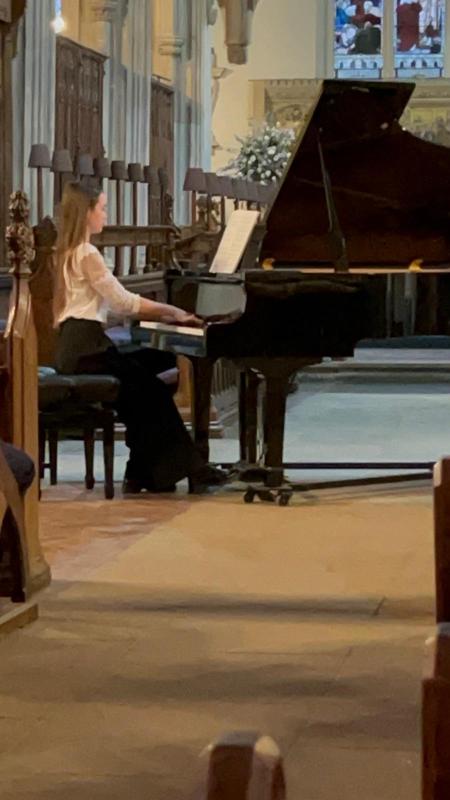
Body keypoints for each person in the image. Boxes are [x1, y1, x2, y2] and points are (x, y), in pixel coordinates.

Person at [53, 182, 227, 494]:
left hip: (77, 346)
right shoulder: (87, 253)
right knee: (151, 390)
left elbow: (104, 307)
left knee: (154, 365)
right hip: (87, 350)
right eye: (102, 208)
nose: (105, 215)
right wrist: (174, 313)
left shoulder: (69, 253)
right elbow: (124, 302)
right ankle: (188, 470)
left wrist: (158, 318)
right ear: (86, 213)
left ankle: (143, 472)